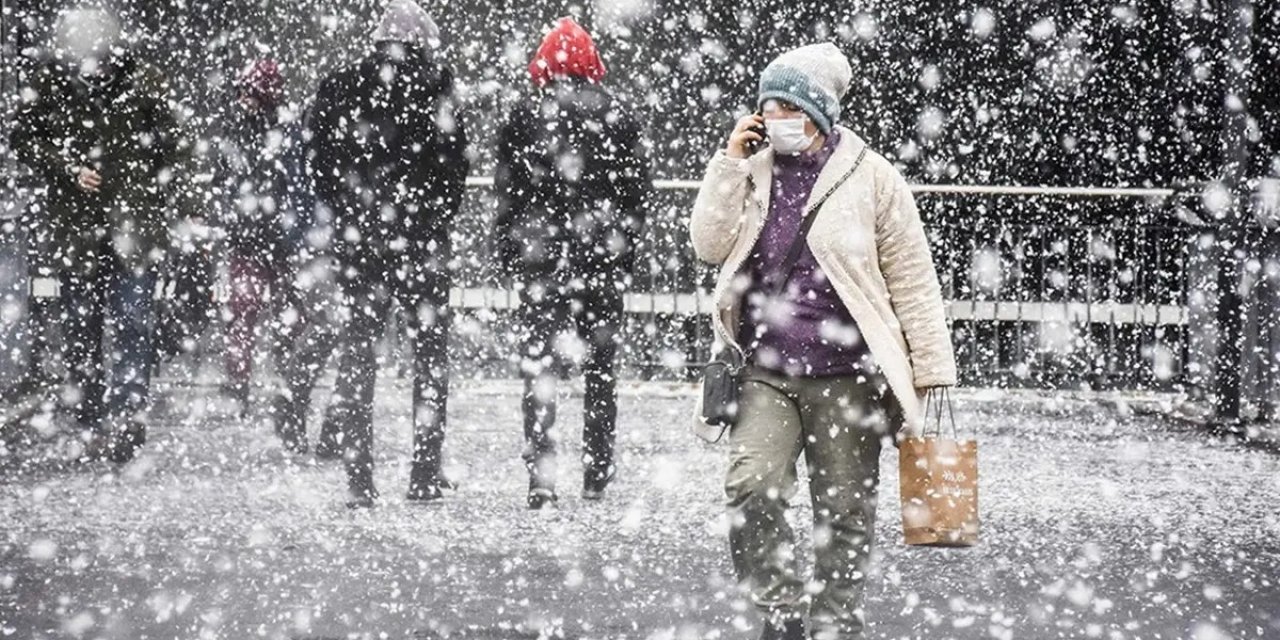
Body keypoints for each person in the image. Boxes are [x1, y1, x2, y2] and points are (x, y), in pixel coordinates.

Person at [688, 43, 958, 640]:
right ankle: (779, 613)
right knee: (751, 486)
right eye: (768, 105)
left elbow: (913, 279)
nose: (777, 115)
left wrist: (933, 370)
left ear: (820, 109)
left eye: (790, 104)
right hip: (764, 368)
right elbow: (708, 244)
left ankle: (836, 621)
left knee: (843, 512)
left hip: (848, 374)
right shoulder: (754, 170)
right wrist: (730, 160)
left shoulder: (874, 177)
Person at [299, 0, 468, 507]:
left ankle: (359, 478)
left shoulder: (339, 87)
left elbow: (318, 163)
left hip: (359, 243)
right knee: (430, 360)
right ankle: (423, 472)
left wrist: (352, 214)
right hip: (421, 245)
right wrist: (430, 219)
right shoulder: (438, 89)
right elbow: (454, 167)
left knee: (358, 356)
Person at [10, 6, 185, 464]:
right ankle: (91, 418)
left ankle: (125, 417)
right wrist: (67, 167)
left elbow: (173, 145)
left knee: (131, 322)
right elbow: (22, 137)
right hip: (77, 230)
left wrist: (149, 189)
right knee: (82, 326)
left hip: (133, 229)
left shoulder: (145, 81)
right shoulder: (51, 85)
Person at [493, 17, 650, 509]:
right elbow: (636, 195)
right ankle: (597, 471)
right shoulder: (618, 115)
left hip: (543, 263)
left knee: (540, 368)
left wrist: (511, 250)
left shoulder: (524, 115)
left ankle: (542, 474)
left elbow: (509, 194)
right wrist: (624, 248)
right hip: (601, 260)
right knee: (600, 370)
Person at [216, 59, 312, 414]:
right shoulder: (266, 130)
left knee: (266, 313)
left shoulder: (278, 131)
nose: (244, 99)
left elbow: (297, 183)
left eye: (250, 92)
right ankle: (249, 382)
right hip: (258, 236)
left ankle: (273, 378)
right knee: (248, 313)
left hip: (271, 237)